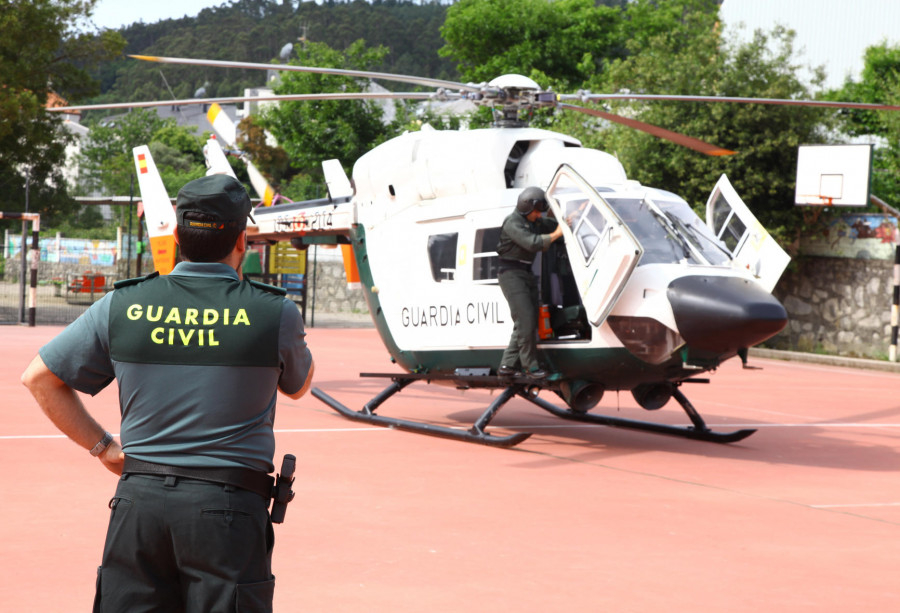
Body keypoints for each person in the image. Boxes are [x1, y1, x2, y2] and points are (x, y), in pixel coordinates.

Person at [21, 174, 314, 613]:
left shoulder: (122, 305)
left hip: (139, 503)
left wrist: (103, 447)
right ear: (242, 240)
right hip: (227, 509)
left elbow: (38, 377)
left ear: (176, 236)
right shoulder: (274, 312)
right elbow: (299, 388)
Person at [496, 186, 563, 379]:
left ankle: (507, 366)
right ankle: (531, 368)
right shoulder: (513, 222)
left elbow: (550, 224)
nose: (538, 214)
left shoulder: (532, 220)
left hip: (525, 272)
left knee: (528, 320)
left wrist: (567, 220)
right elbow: (533, 243)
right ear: (526, 207)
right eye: (536, 210)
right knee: (525, 319)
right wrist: (557, 234)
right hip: (511, 273)